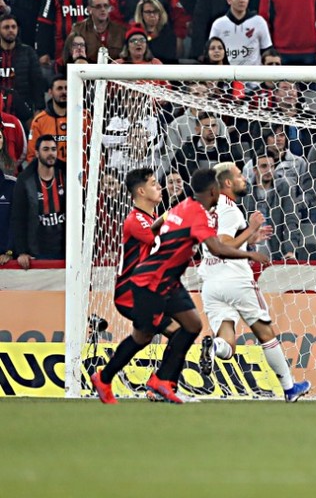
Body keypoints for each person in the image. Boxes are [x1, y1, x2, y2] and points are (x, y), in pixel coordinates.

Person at [90, 168, 269, 404]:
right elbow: (214, 247)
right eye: (154, 183)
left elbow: (162, 230)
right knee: (147, 336)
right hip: (143, 285)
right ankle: (112, 378)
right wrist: (249, 251)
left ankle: (162, 382)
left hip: (166, 282)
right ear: (213, 191)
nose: (160, 187)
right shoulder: (150, 219)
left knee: (191, 325)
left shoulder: (180, 208)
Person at [197, 163, 310, 402]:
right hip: (235, 279)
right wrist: (251, 228)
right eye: (239, 176)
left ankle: (214, 348)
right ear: (227, 183)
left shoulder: (208, 210)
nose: (244, 179)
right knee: (266, 334)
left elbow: (222, 242)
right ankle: (290, 389)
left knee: (227, 344)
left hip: (210, 282)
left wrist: (249, 239)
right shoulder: (231, 210)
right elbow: (224, 246)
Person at [10, 135, 67, 267]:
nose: (50, 153)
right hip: (37, 252)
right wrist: (22, 251)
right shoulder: (25, 180)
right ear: (36, 153)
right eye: (46, 149)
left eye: (53, 149)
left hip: (65, 249)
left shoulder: (66, 175)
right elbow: (18, 218)